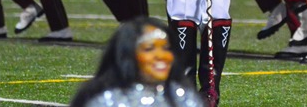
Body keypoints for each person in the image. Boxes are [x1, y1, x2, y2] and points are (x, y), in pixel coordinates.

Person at [69, 16, 205, 107]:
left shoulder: (183, 97)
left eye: (166, 48)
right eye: (149, 49)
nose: (161, 56)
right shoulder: (108, 101)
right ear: (129, 55)